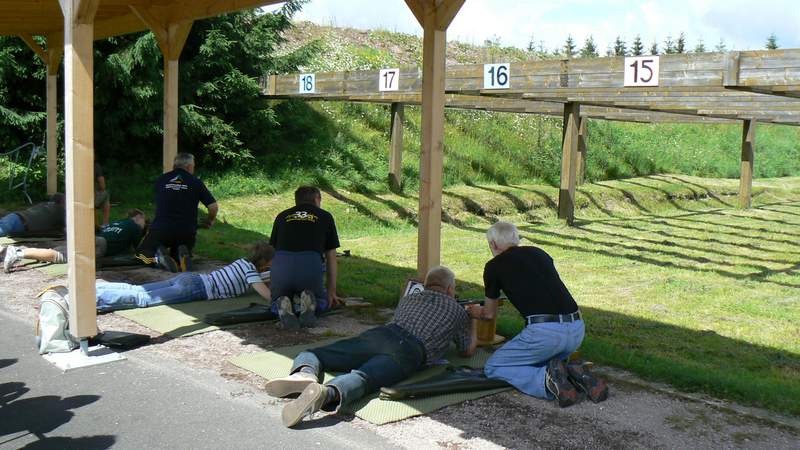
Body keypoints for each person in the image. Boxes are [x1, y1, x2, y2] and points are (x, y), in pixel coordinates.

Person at [264, 266, 477, 428]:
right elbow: (466, 350)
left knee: (317, 353)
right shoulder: (457, 311)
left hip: (381, 334)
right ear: (450, 289)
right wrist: (473, 318)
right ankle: (327, 393)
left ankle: (305, 373)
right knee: (365, 378)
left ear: (427, 284)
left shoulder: (410, 298)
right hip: (409, 352)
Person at [467, 221, 608, 408]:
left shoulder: (494, 266)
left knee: (495, 366)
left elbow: (489, 314)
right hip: (576, 329)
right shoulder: (539, 253)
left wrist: (473, 311)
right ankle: (571, 372)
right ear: (516, 239)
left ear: (492, 244)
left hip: (545, 334)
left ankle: (547, 382)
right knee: (542, 359)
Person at [95, 241, 273, 312]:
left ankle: (97, 289)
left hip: (191, 278)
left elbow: (259, 278)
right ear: (264, 261)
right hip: (196, 289)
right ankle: (96, 298)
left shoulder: (242, 263)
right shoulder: (250, 272)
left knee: (138, 290)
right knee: (143, 299)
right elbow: (266, 294)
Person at [268, 186, 341, 329]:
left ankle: (281, 304)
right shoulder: (325, 216)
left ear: (296, 201)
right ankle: (311, 306)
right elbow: (331, 256)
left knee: (275, 303)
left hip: (282, 265)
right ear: (317, 199)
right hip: (310, 265)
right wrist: (331, 292)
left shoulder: (282, 216)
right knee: (322, 301)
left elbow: (273, 251)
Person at [136, 152, 218, 273]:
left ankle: (159, 259)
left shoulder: (161, 180)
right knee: (179, 249)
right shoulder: (196, 182)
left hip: (161, 229)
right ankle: (182, 257)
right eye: (194, 166)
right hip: (186, 232)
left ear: (175, 165)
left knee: (140, 255)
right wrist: (209, 220)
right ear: (189, 167)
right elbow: (213, 207)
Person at [3, 209, 146, 273]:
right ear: (138, 217)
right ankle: (18, 254)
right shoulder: (135, 227)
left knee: (54, 252)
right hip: (100, 245)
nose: (144, 223)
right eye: (144, 219)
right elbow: (139, 251)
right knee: (59, 256)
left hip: (93, 239)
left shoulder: (119, 223)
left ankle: (19, 251)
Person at [0, 194, 65, 238]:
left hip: (17, 220)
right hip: (18, 222)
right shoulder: (59, 210)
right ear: (62, 201)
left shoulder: (46, 205)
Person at [95, 161, 111, 227]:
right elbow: (102, 186)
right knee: (105, 193)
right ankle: (105, 223)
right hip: (89, 198)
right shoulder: (95, 166)